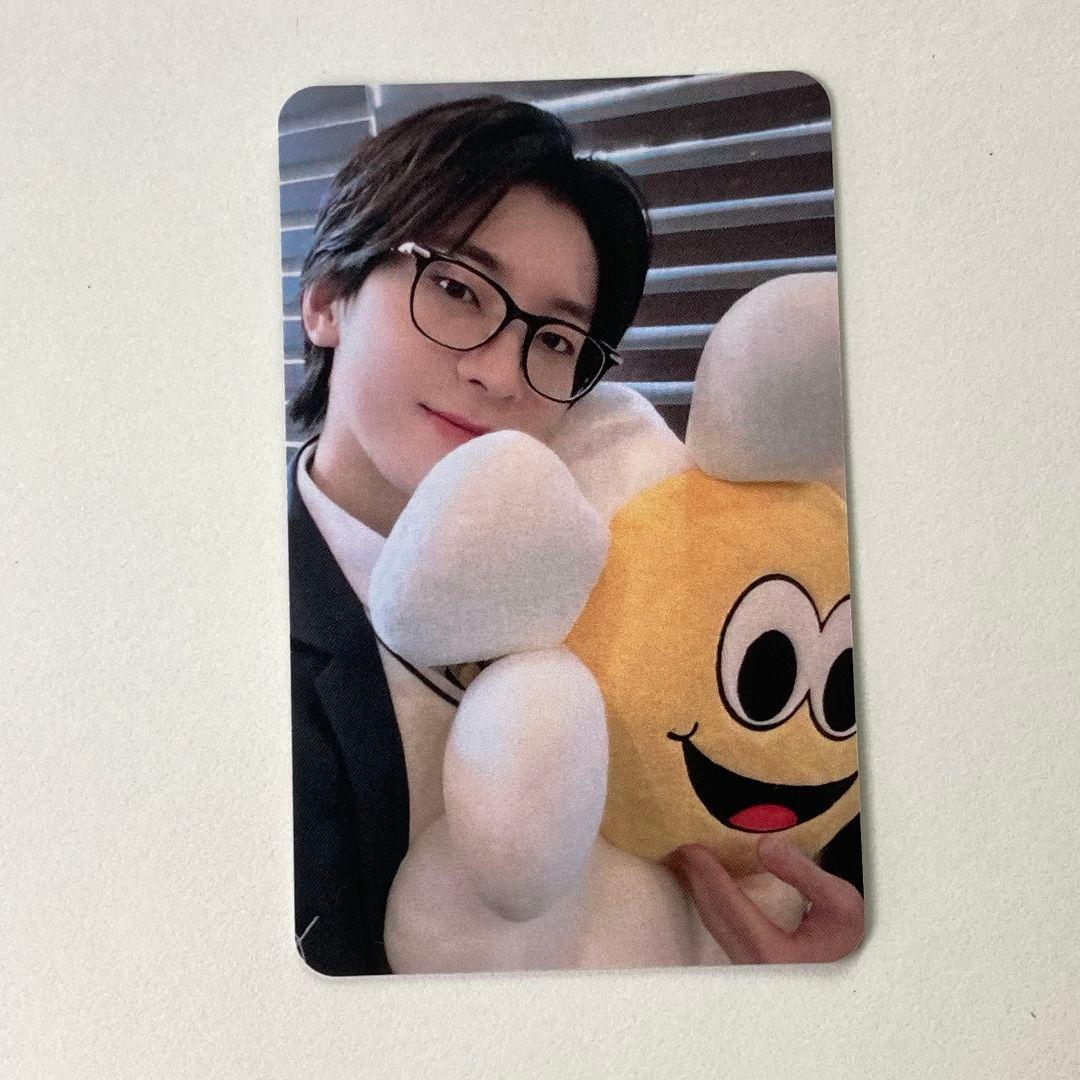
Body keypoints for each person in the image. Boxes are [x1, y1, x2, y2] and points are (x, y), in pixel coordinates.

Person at [286, 94, 863, 976]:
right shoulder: (226, 638)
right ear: (327, 300)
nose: (501, 372)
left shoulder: (634, 564)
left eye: (555, 340)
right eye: (456, 289)